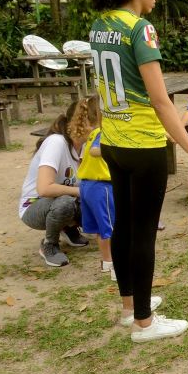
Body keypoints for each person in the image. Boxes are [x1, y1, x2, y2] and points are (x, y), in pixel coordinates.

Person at [90, 0, 188, 343]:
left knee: (125, 225)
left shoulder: (100, 24)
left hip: (112, 141)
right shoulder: (139, 30)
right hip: (144, 147)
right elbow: (162, 102)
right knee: (142, 232)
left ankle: (131, 307)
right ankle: (144, 322)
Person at [19, 100, 89, 267]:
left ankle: (68, 228)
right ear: (80, 122)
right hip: (34, 206)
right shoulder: (56, 142)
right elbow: (44, 188)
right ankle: (49, 244)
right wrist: (82, 192)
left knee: (98, 194)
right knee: (66, 202)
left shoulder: (86, 146)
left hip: (63, 200)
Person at [69, 95, 116, 280]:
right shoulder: (101, 133)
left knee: (100, 229)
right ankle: (115, 268)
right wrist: (116, 149)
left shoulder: (91, 134)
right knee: (111, 228)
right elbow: (96, 151)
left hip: (87, 186)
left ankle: (107, 262)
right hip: (101, 186)